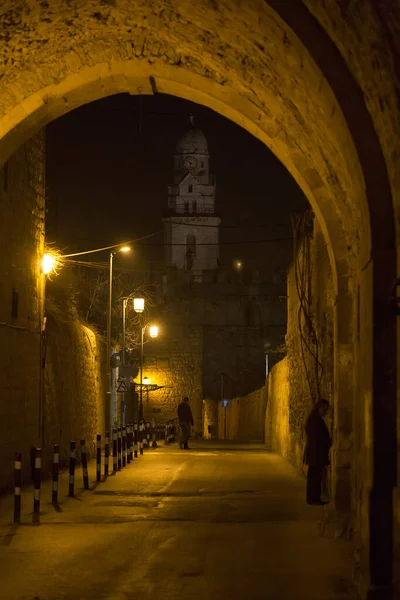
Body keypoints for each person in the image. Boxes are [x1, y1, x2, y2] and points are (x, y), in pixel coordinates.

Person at [303, 399, 332, 505]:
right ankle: (313, 499)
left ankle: (313, 498)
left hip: (314, 453)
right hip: (316, 454)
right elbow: (318, 438)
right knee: (315, 478)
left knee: (314, 477)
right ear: (319, 408)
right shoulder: (315, 421)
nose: (325, 412)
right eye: (324, 409)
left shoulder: (313, 419)